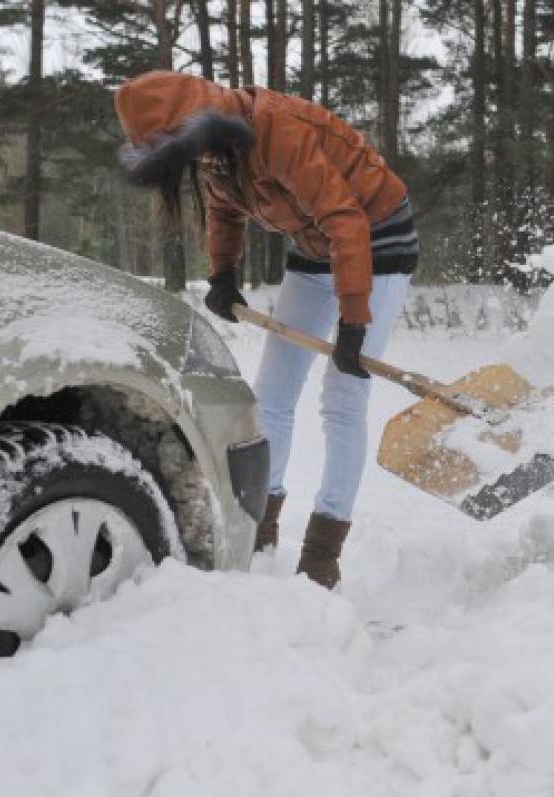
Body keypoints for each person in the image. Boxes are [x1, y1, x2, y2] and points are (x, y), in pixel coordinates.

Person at [114, 71, 418, 590]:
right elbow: (224, 210)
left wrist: (354, 319)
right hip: (315, 246)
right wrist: (223, 273)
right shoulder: (217, 150)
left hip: (377, 240)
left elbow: (345, 219)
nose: (193, 162)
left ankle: (322, 551)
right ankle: (259, 527)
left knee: (343, 396)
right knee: (273, 394)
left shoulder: (278, 130)